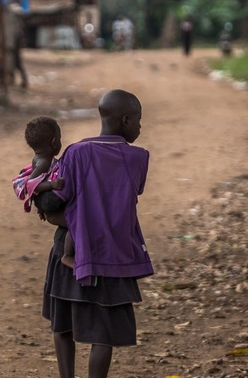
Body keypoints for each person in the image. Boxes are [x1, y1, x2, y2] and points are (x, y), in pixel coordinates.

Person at [35, 89, 154, 378]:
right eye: (138, 121)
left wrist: (44, 205)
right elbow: (127, 191)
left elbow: (53, 201)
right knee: (104, 334)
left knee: (63, 323)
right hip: (113, 256)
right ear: (125, 121)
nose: (140, 127)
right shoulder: (138, 158)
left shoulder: (75, 152)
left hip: (72, 254)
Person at [12, 117, 76, 268]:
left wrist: (40, 207)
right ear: (54, 142)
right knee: (76, 223)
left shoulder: (42, 159)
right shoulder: (43, 162)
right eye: (60, 139)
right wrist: (51, 185)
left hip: (45, 202)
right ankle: (67, 256)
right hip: (48, 200)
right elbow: (31, 185)